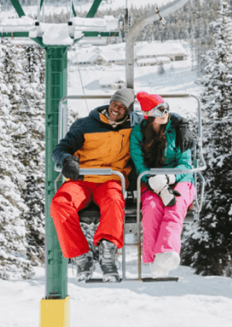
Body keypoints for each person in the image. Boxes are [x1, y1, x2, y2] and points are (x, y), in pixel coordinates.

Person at [51, 88, 193, 282]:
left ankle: (108, 253)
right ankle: (81, 256)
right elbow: (60, 149)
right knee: (60, 204)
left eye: (122, 107)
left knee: (114, 200)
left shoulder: (134, 124)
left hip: (111, 179)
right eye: (114, 104)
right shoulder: (84, 125)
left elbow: (158, 114)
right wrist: (66, 159)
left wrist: (182, 123)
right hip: (82, 179)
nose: (116, 109)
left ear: (128, 110)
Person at [130, 91, 196, 279]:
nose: (165, 113)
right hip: (150, 180)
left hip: (180, 178)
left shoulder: (176, 131)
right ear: (148, 115)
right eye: (159, 110)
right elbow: (139, 164)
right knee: (151, 208)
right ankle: (154, 261)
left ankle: (167, 252)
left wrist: (169, 178)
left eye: (166, 108)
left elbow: (185, 163)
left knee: (175, 206)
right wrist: (153, 181)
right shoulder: (138, 134)